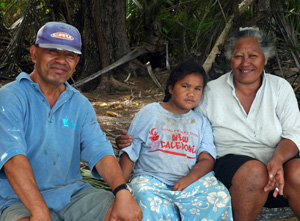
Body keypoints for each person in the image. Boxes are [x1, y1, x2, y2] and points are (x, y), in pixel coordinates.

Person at [116, 27, 300, 220]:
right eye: (238, 56)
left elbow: (294, 133)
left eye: (253, 55)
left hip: (277, 164)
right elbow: (179, 122)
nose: (245, 63)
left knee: (297, 172)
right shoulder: (211, 92)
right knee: (254, 172)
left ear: (266, 58)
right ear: (230, 59)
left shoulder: (280, 88)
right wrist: (130, 143)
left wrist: (277, 160)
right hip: (233, 167)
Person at [0, 21, 142, 221]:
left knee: (122, 213)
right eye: (52, 52)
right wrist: (39, 211)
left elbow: (100, 151)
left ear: (76, 62)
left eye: (69, 55)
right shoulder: (10, 97)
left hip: (72, 195)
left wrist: (122, 191)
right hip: (19, 200)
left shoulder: (79, 104)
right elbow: (13, 158)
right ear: (34, 54)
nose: (61, 60)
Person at [119, 60, 233, 220]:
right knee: (146, 198)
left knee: (219, 196)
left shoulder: (201, 122)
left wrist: (189, 179)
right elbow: (130, 151)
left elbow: (206, 159)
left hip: (190, 182)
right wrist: (119, 189)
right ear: (171, 88)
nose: (191, 93)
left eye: (197, 88)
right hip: (151, 181)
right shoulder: (150, 113)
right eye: (185, 86)